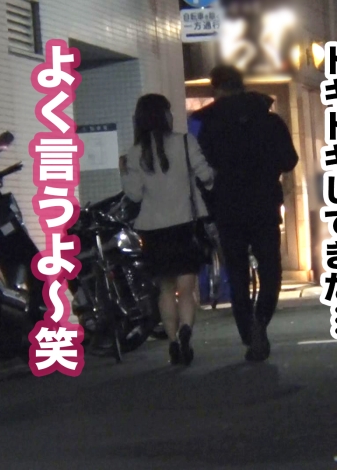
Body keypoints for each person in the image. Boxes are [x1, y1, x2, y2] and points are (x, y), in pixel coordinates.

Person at [190, 65, 299, 362]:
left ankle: (249, 333)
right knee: (270, 268)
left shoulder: (210, 125)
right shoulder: (269, 120)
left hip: (228, 208)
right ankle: (261, 320)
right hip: (264, 204)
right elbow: (289, 160)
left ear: (216, 89)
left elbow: (202, 169)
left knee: (237, 272)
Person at [121, 94, 215, 366]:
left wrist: (125, 171)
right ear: (165, 116)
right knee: (186, 288)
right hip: (185, 224)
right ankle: (186, 328)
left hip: (153, 230)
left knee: (165, 289)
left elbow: (134, 195)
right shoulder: (185, 142)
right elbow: (206, 175)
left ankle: (173, 341)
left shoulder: (134, 153)